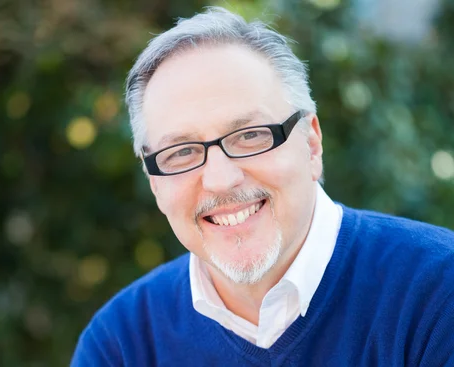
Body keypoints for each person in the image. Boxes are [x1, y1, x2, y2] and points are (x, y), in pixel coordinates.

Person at [71, 7, 454, 367]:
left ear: (311, 143)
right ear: (154, 182)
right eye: (181, 152)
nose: (221, 179)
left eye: (250, 135)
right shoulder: (121, 344)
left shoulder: (437, 295)